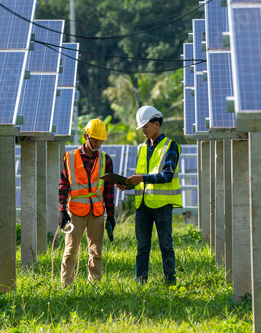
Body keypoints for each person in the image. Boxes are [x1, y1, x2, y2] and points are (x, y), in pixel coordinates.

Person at [117, 105, 182, 284]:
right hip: (142, 205)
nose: (143, 130)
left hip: (162, 205)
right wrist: (127, 185)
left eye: (146, 126)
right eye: (142, 127)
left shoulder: (171, 146)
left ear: (156, 124)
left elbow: (167, 175)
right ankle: (140, 281)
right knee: (142, 247)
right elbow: (142, 180)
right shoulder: (141, 149)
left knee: (166, 246)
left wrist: (142, 178)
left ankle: (170, 282)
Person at [58, 118, 115, 287]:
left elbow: (109, 189)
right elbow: (63, 185)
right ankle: (66, 286)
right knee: (70, 251)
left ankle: (94, 286)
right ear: (86, 136)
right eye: (94, 139)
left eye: (100, 140)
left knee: (96, 252)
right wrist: (62, 210)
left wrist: (111, 215)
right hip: (75, 213)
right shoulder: (70, 157)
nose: (97, 143)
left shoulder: (106, 160)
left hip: (97, 212)